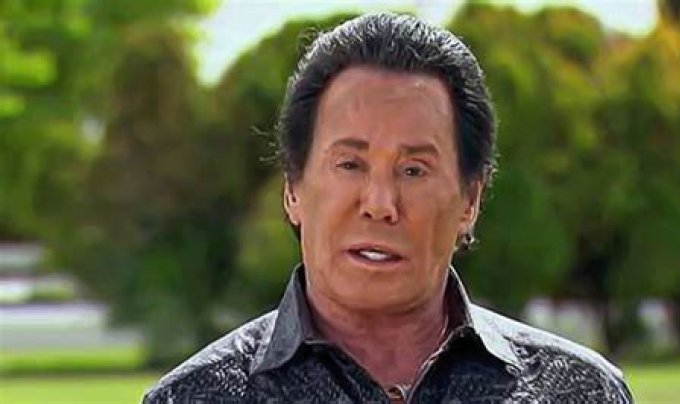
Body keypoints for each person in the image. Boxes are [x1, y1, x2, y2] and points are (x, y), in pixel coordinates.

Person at [143, 13, 633, 403]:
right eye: (350, 164)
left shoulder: (577, 391)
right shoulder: (197, 396)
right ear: (293, 188)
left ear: (470, 200)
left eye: (413, 170)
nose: (380, 205)